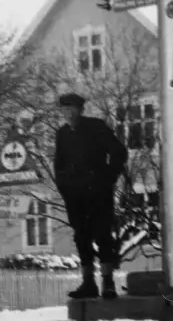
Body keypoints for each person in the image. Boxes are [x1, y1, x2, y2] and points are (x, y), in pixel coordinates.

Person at [54, 93, 129, 300]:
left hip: (98, 192)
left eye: (72, 109)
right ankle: (88, 283)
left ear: (81, 110)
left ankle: (108, 283)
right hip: (75, 196)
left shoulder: (96, 127)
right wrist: (64, 188)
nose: (68, 114)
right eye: (64, 110)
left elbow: (119, 152)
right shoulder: (62, 134)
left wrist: (107, 178)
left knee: (103, 235)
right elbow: (58, 164)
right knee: (81, 237)